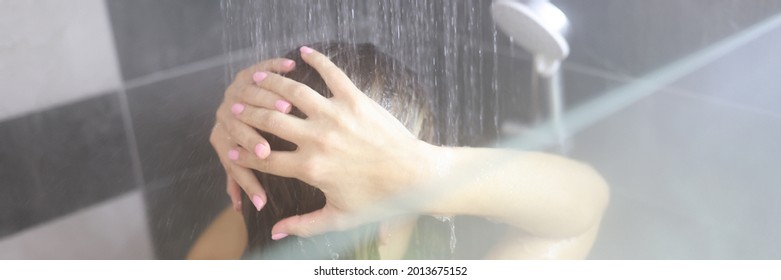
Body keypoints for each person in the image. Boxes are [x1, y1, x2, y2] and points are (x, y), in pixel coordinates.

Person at [191, 42, 609, 259]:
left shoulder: (224, 250)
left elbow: (268, 197)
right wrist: (422, 172)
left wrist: (247, 119)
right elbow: (582, 206)